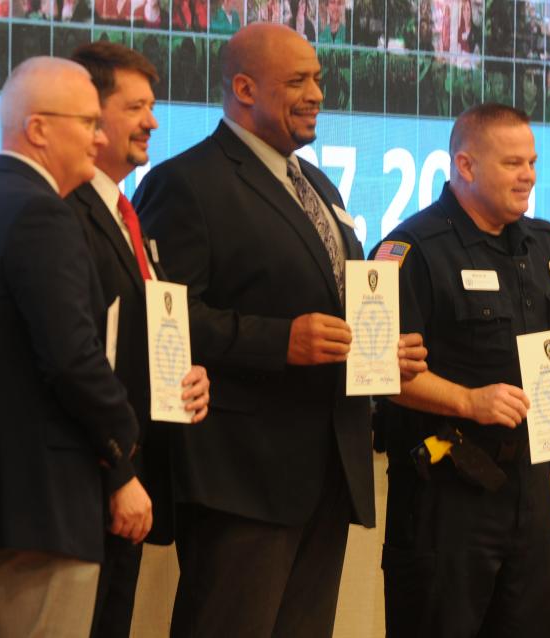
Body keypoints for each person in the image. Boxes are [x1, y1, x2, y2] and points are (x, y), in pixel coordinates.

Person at [134, 24, 427, 638]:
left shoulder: (318, 184)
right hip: (244, 476)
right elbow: (163, 321)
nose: (317, 93)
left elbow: (336, 303)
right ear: (244, 88)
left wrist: (376, 352)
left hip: (331, 467)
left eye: (318, 78)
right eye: (298, 81)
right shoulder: (187, 183)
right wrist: (279, 341)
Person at [0, 56, 153, 637]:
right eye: (88, 123)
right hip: (42, 504)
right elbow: (73, 359)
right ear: (39, 128)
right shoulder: (41, 215)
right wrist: (122, 456)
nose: (99, 138)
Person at [372, 103, 550, 637]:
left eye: (532, 162)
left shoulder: (548, 244)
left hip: (532, 491)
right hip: (445, 497)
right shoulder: (409, 251)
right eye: (511, 163)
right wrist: (466, 401)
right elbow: (379, 374)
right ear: (466, 166)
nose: (527, 175)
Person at [66, 41, 211, 638]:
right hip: (87, 485)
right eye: (138, 107)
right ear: (90, 116)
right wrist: (116, 473)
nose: (154, 121)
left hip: (130, 480)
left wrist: (184, 375)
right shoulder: (62, 214)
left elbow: (134, 333)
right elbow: (74, 356)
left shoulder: (129, 215)